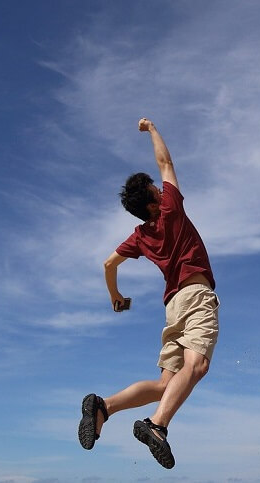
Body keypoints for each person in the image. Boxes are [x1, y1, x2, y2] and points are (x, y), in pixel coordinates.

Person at [78, 118, 220, 469]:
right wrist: (152, 129)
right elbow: (166, 163)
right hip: (196, 296)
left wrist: (116, 297)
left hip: (173, 306)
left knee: (165, 384)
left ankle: (104, 406)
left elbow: (108, 265)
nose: (161, 187)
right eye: (156, 189)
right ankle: (157, 425)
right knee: (197, 365)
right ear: (155, 201)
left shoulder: (140, 235)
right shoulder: (171, 209)